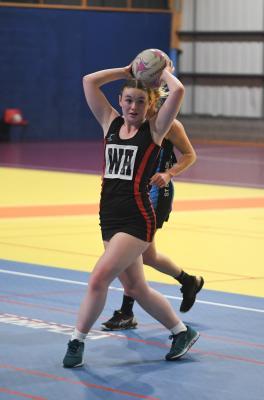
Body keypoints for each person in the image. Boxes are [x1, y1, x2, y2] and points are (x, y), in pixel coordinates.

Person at [63, 60, 200, 368]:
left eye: (140, 101)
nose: (133, 106)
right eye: (127, 99)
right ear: (120, 101)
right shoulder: (109, 122)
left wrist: (159, 68)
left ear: (150, 103)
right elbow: (88, 79)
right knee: (136, 288)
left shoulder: (155, 130)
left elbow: (177, 89)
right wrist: (127, 71)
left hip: (137, 218)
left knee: (99, 279)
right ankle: (181, 331)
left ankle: (76, 340)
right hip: (108, 216)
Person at [101, 113, 204, 331]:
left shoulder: (168, 124)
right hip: (131, 192)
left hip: (156, 193)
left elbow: (189, 155)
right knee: (148, 255)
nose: (135, 105)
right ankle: (188, 281)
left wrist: (169, 173)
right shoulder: (126, 122)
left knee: (133, 253)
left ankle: (126, 312)